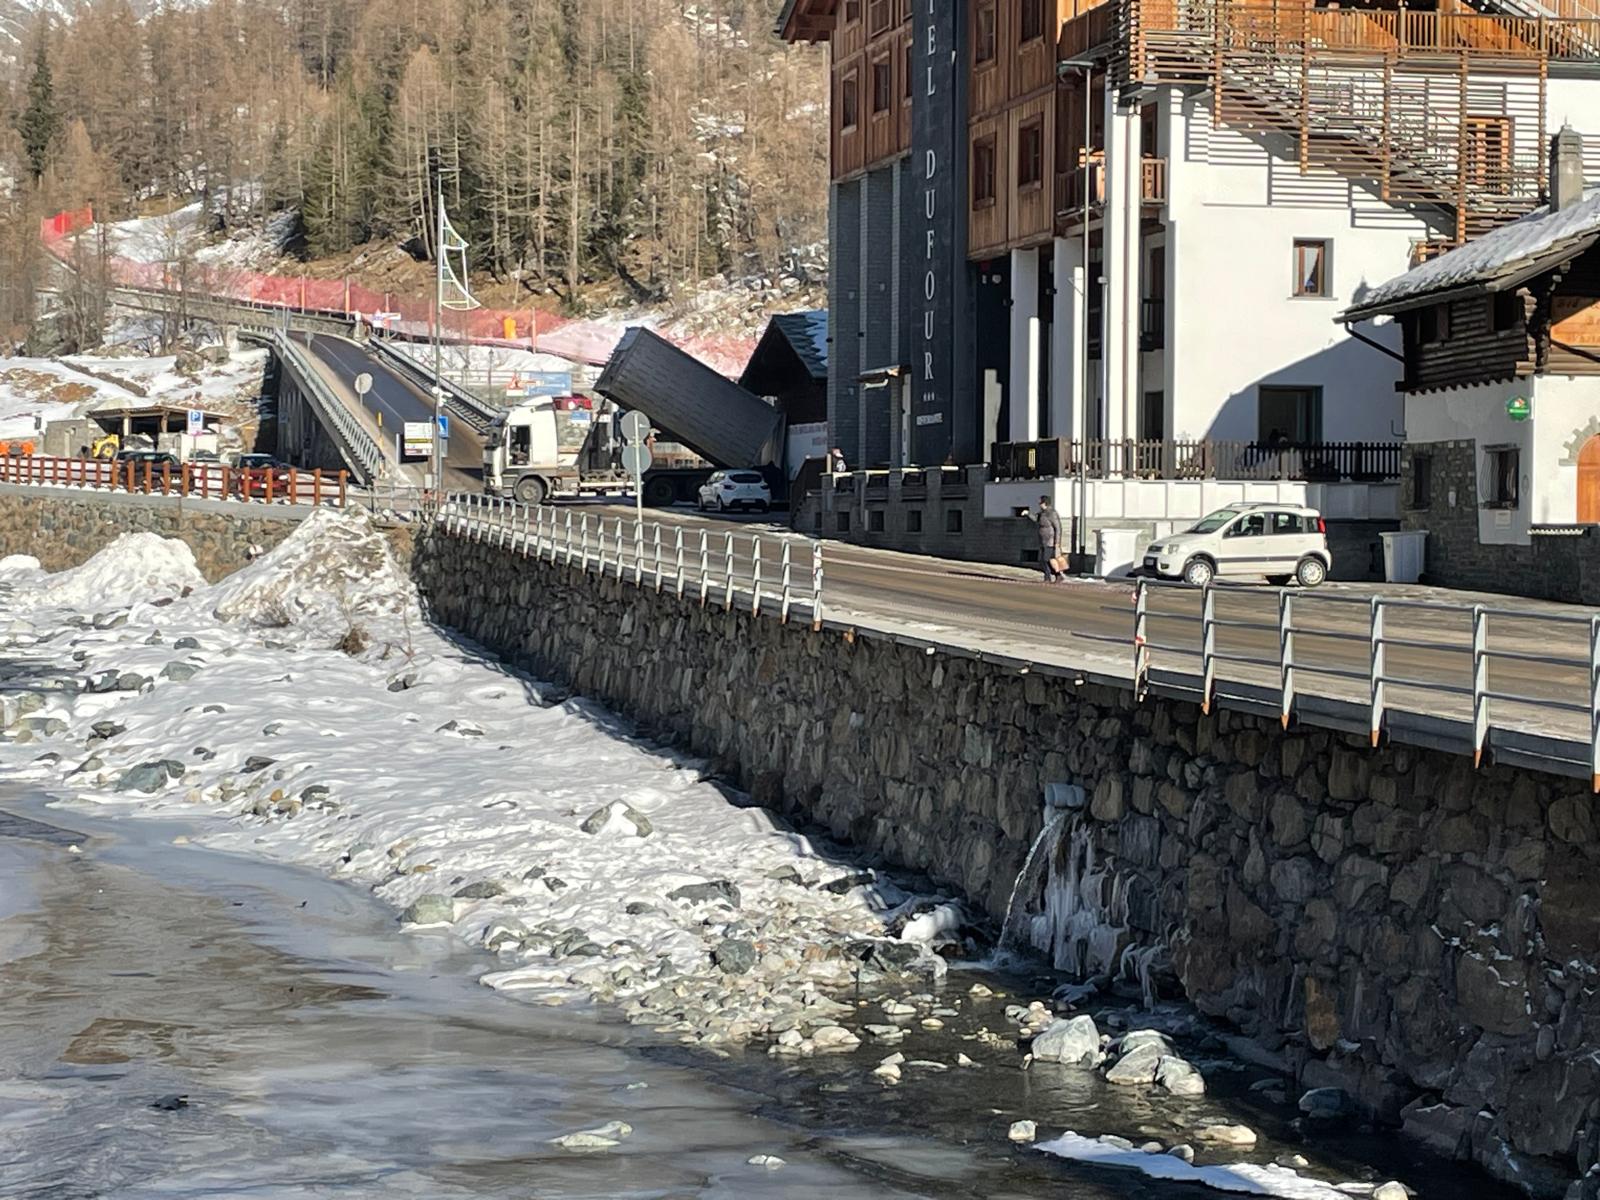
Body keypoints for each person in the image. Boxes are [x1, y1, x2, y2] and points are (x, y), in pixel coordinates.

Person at [1027, 495, 1064, 582]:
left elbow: (1058, 528)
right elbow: (1036, 519)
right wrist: (1028, 514)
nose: (1039, 505)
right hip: (1043, 540)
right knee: (1043, 560)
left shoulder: (1052, 513)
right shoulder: (1042, 513)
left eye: (1040, 503)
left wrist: (1057, 542)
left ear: (1045, 503)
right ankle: (1048, 577)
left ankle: (1057, 575)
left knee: (1046, 559)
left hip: (1050, 540)